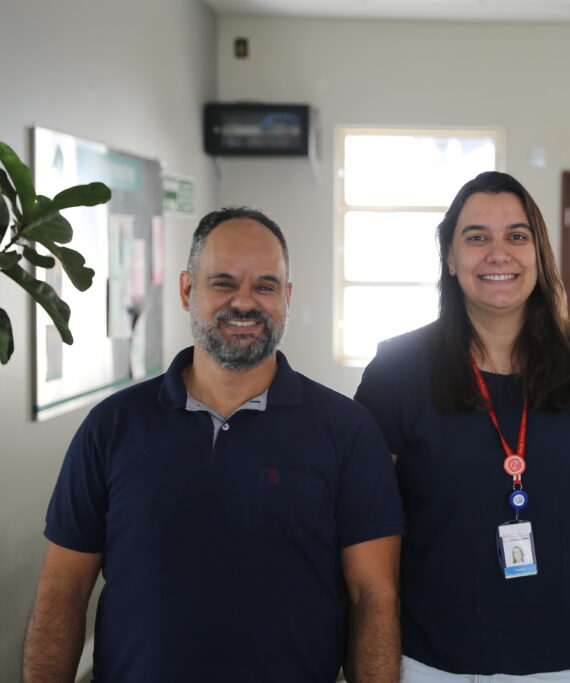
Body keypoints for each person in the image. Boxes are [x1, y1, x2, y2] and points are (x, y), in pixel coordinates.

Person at [23, 207, 404, 683]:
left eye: (265, 286)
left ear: (286, 297)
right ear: (187, 290)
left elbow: (374, 596)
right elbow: (63, 588)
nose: (244, 303)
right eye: (223, 283)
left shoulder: (347, 430)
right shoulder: (113, 426)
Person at [355, 171, 570, 682]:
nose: (498, 254)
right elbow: (367, 534)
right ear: (450, 258)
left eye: (516, 236)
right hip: (433, 663)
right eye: (477, 238)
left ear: (539, 254)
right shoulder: (398, 369)